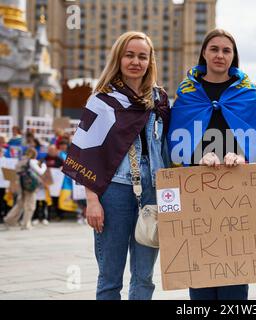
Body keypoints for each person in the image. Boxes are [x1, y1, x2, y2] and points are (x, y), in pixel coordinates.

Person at [62, 31, 170, 300]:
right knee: (110, 278)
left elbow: (169, 148)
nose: (136, 61)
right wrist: (92, 200)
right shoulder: (102, 100)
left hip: (152, 193)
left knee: (144, 278)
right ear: (119, 58)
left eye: (142, 56)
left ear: (150, 61)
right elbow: (86, 152)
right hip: (114, 193)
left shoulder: (159, 100)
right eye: (129, 55)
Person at [168, 29, 256, 300]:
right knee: (199, 266)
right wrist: (196, 158)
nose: (220, 55)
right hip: (197, 188)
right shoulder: (187, 93)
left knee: (235, 267)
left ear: (234, 56)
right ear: (204, 53)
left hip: (237, 189)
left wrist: (243, 157)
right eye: (214, 49)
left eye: (226, 50)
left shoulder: (247, 93)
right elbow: (176, 137)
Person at [3, 147, 47, 230]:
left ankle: (9, 220)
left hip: (21, 185)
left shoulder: (20, 161)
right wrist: (44, 166)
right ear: (34, 154)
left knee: (19, 204)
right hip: (30, 186)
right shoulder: (31, 161)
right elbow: (40, 172)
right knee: (30, 205)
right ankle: (26, 224)